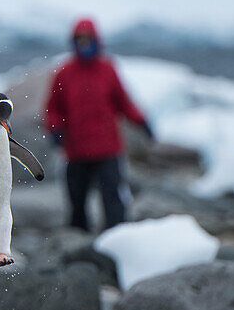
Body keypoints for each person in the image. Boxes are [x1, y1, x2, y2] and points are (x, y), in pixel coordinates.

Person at [44, 18, 153, 231]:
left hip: (107, 150)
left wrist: (141, 122)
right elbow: (53, 107)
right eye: (80, 40)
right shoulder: (64, 73)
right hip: (76, 151)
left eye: (88, 39)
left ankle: (117, 237)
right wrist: (55, 128)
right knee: (77, 201)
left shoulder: (107, 70)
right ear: (73, 42)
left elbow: (123, 102)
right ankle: (77, 243)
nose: (84, 45)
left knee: (112, 198)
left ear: (96, 40)